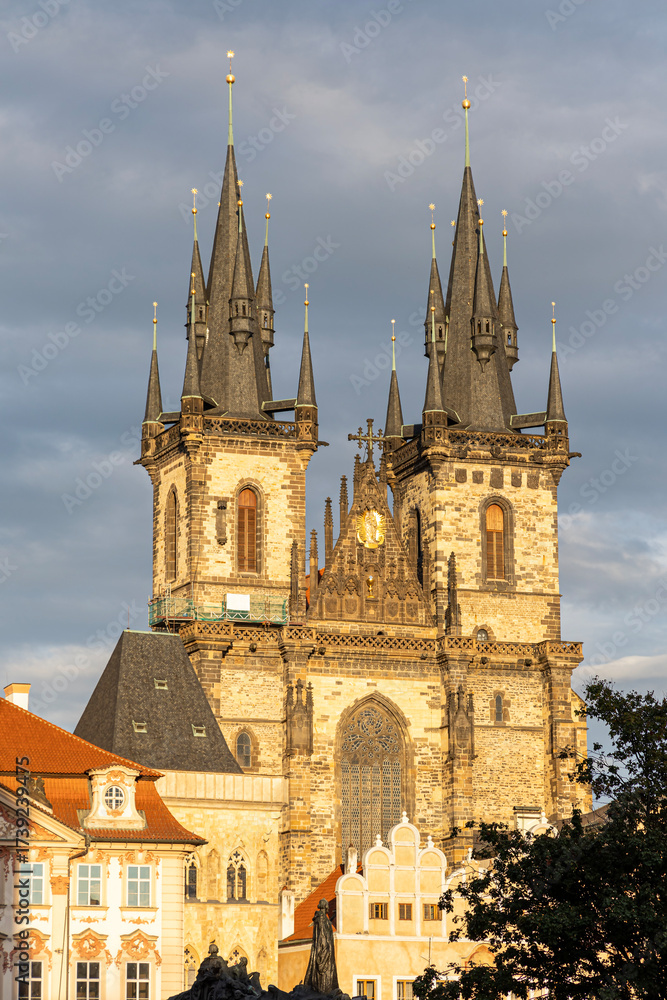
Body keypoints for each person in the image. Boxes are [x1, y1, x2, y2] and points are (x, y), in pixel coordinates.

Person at [303, 899, 339, 994]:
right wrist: (324, 951)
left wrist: (332, 918)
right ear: (326, 906)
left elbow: (325, 928)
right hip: (324, 949)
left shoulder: (321, 918)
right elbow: (323, 935)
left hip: (323, 948)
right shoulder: (322, 919)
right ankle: (323, 992)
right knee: (324, 977)